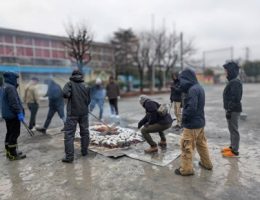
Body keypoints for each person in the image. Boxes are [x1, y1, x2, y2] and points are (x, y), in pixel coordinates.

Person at [175, 68, 213, 176]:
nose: (181, 82)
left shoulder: (192, 90)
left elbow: (191, 108)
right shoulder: (199, 88)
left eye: (182, 79)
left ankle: (186, 170)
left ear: (186, 78)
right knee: (201, 144)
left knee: (186, 146)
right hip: (200, 123)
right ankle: (207, 164)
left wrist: (184, 119)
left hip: (192, 125)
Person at [62, 70, 91, 163]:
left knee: (69, 135)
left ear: (73, 76)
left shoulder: (69, 84)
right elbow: (89, 100)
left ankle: (69, 157)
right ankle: (84, 151)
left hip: (72, 114)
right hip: (84, 114)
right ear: (81, 76)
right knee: (85, 132)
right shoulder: (86, 86)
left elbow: (65, 94)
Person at [1, 72, 26, 160]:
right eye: (15, 79)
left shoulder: (4, 86)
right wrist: (19, 113)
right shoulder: (10, 88)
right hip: (13, 115)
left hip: (7, 114)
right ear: (11, 78)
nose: (16, 80)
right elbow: (14, 103)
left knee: (9, 133)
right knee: (14, 134)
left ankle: (9, 151)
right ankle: (12, 154)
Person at [221, 61, 243, 157]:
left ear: (231, 71)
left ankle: (235, 151)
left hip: (233, 110)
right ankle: (232, 146)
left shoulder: (235, 82)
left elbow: (236, 98)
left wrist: (229, 110)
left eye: (226, 70)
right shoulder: (232, 81)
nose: (225, 72)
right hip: (231, 109)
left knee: (234, 129)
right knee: (231, 129)